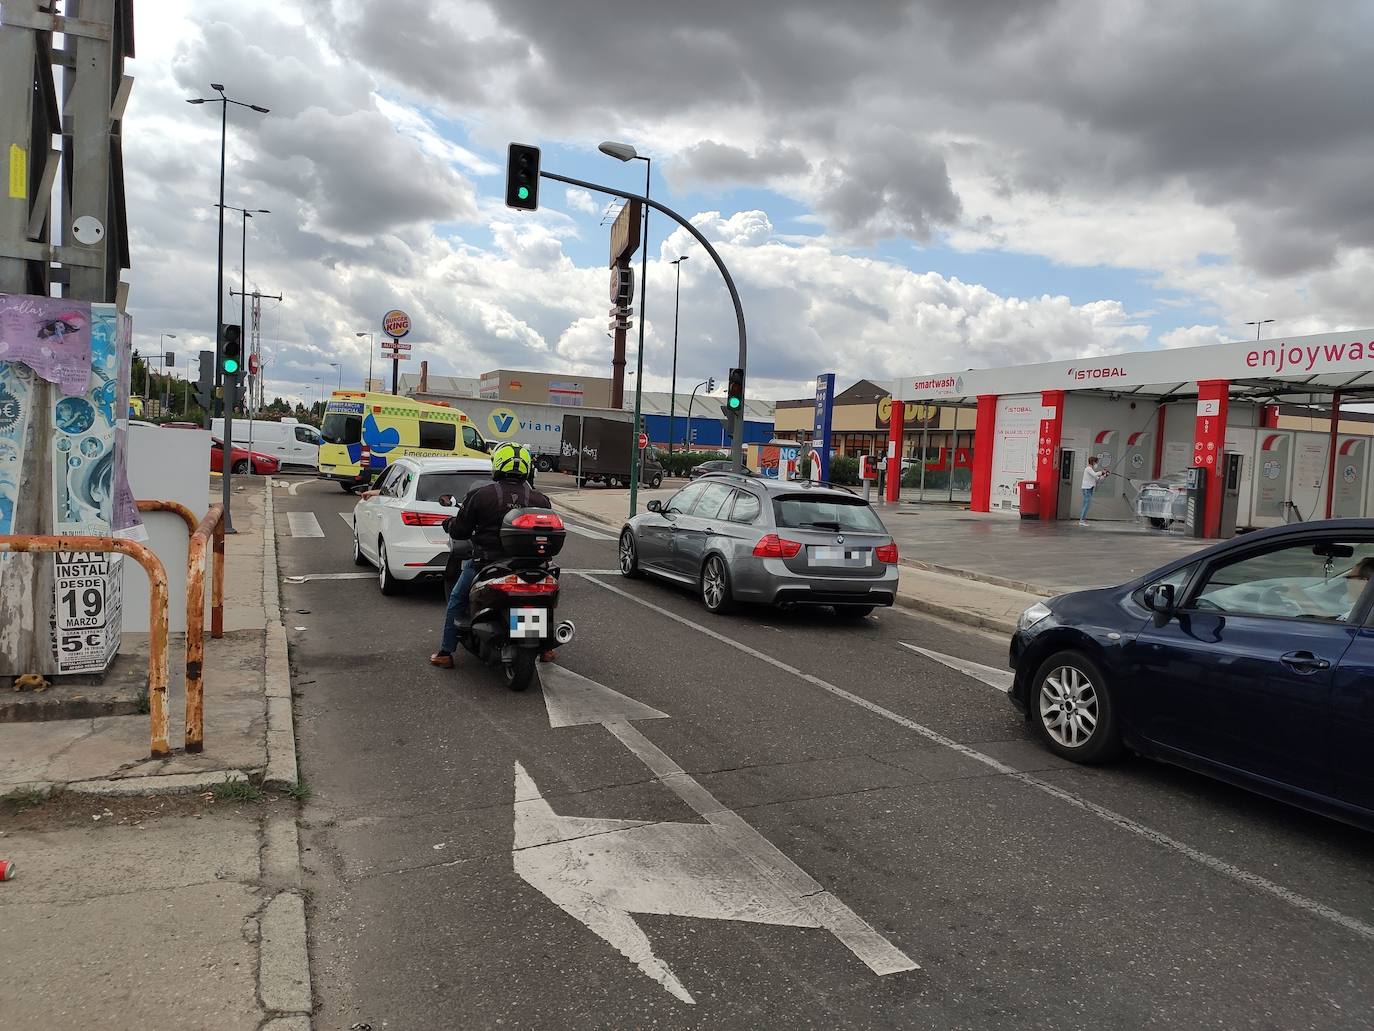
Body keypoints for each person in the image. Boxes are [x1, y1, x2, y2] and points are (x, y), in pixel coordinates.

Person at [430, 443, 552, 669]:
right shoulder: (540, 500)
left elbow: (460, 531)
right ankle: (546, 649)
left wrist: (450, 524)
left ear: (497, 465)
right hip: (531, 566)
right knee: (541, 598)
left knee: (457, 599)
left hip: (486, 564)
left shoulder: (481, 495)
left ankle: (446, 652)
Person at [1079, 456, 1109, 525]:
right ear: (1093, 462)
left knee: (1086, 505)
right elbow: (1095, 474)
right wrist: (1102, 472)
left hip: (1090, 488)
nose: (1096, 464)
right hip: (1087, 489)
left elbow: (1098, 479)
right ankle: (1081, 521)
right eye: (1096, 462)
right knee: (1086, 505)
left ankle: (1083, 519)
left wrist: (1105, 475)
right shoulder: (1088, 469)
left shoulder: (1091, 470)